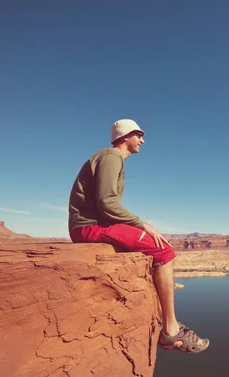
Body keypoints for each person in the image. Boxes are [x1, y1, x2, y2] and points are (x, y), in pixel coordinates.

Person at [68, 119, 209, 354]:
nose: (142, 140)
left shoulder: (109, 158)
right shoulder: (111, 157)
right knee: (164, 250)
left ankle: (162, 318)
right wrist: (144, 225)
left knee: (153, 248)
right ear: (125, 137)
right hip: (91, 226)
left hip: (92, 224)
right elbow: (107, 203)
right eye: (139, 135)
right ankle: (170, 331)